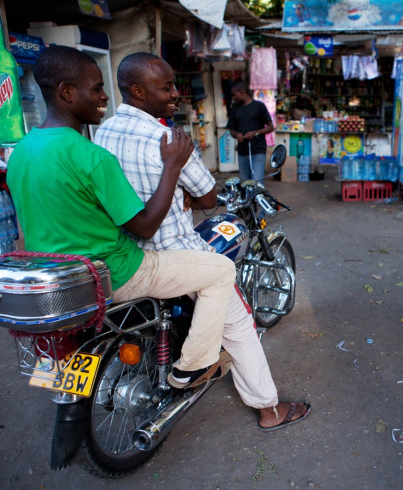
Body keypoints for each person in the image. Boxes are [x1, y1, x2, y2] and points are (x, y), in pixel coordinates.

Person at [7, 46, 308, 430]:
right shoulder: (130, 146)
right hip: (125, 264)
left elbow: (70, 208)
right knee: (228, 295)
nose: (103, 97)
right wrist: (172, 169)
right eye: (166, 87)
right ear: (68, 92)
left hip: (65, 280)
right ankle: (252, 399)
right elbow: (191, 205)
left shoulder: (32, 149)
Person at [94, 52, 310, 430]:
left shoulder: (104, 131)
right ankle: (268, 409)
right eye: (167, 87)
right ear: (139, 91)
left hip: (128, 252)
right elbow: (209, 198)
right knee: (239, 324)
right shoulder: (168, 138)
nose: (176, 93)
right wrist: (188, 193)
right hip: (175, 252)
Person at [227, 81, 274, 184]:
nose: (233, 98)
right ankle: (248, 201)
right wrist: (236, 135)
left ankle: (257, 200)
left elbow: (271, 127)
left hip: (258, 150)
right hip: (242, 152)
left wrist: (256, 133)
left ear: (242, 92)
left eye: (235, 95)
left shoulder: (259, 106)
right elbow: (232, 131)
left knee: (256, 182)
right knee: (245, 183)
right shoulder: (235, 109)